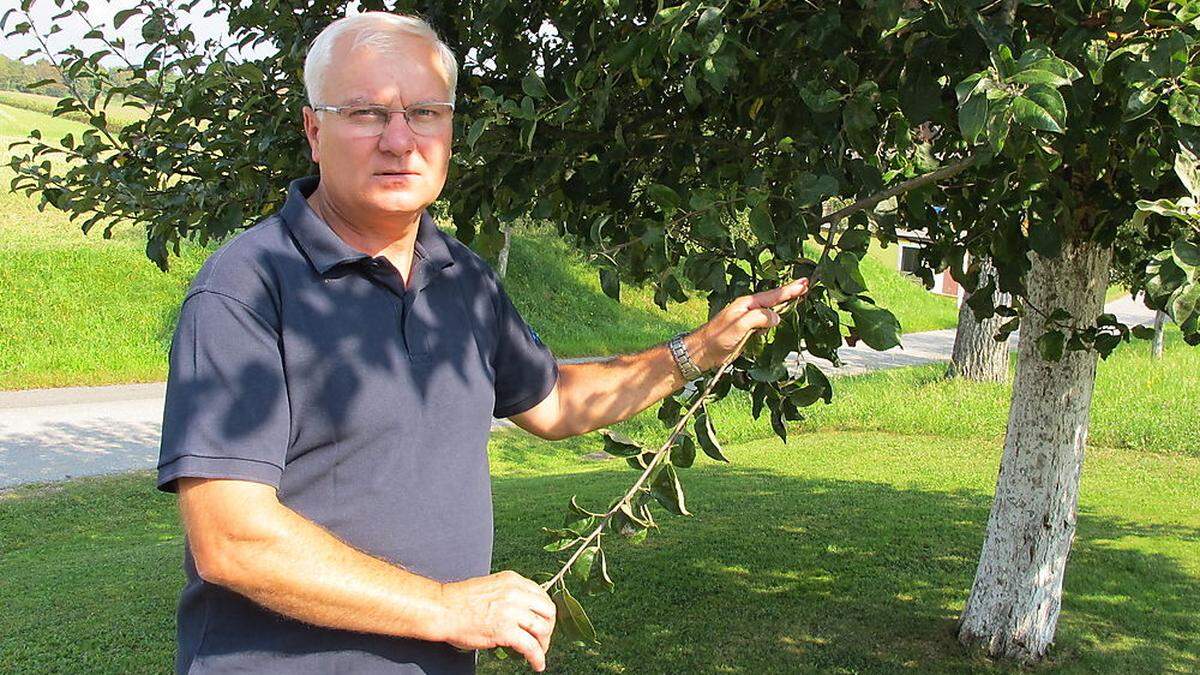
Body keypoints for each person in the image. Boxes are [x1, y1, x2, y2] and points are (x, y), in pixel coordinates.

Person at [156, 11, 809, 675]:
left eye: (426, 113)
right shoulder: (248, 287)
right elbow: (231, 538)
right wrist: (447, 607)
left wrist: (697, 350)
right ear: (313, 130)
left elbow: (553, 400)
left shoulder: (459, 276)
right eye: (366, 114)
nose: (400, 141)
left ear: (450, 131)